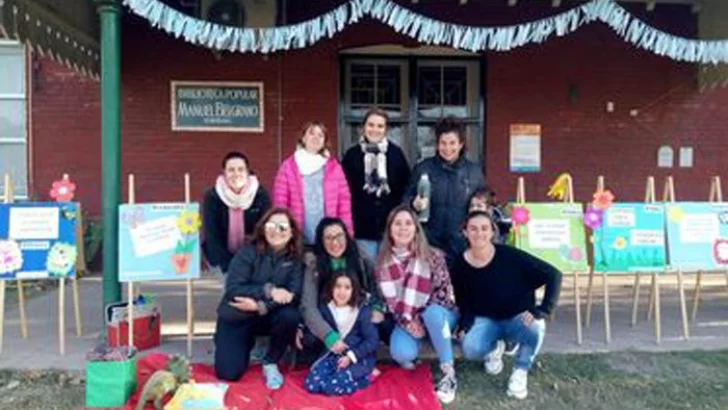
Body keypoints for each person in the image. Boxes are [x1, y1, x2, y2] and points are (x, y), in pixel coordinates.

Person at [454, 211, 562, 400]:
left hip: (517, 317)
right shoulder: (459, 263)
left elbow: (554, 274)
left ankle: (521, 370)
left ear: (492, 232)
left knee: (534, 327)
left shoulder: (510, 256)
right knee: (470, 348)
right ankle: (495, 348)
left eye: (484, 228)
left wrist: (544, 309)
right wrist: (465, 322)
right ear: (465, 232)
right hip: (486, 319)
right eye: (473, 228)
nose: (479, 233)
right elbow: (463, 298)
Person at [375, 205, 459, 404]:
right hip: (406, 319)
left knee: (432, 315)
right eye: (397, 223)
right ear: (390, 229)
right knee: (400, 352)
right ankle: (416, 353)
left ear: (416, 228)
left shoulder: (433, 256)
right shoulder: (382, 262)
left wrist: (420, 320)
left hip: (441, 314)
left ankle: (449, 373)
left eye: (408, 223)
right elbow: (387, 303)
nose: (403, 228)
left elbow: (444, 294)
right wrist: (407, 322)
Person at [214, 208, 304, 389]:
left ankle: (270, 361)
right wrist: (268, 291)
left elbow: (291, 295)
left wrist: (261, 306)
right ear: (263, 228)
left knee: (290, 315)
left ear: (291, 231)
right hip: (238, 315)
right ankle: (239, 344)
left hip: (267, 314)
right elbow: (233, 289)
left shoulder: (295, 259)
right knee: (228, 373)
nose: (276, 231)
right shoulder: (248, 252)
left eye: (283, 227)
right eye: (271, 225)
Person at [299, 217, 391, 354]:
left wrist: (377, 307)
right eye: (328, 238)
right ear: (321, 241)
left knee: (386, 326)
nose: (335, 242)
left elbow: (375, 285)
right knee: (309, 339)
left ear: (346, 236)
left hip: (357, 314)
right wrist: (328, 335)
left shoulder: (360, 257)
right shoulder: (314, 265)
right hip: (329, 318)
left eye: (339, 236)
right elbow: (309, 306)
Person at [405, 116, 486, 262]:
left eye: (452, 143)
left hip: (461, 246)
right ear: (437, 144)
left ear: (461, 144)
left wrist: (483, 203)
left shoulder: (474, 172)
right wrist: (413, 203)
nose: (447, 148)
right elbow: (404, 201)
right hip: (428, 244)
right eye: (443, 143)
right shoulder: (423, 168)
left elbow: (485, 204)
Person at [341, 108, 410, 260]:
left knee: (389, 276)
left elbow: (405, 186)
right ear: (363, 127)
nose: (375, 129)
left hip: (391, 229)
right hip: (362, 228)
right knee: (367, 275)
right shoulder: (352, 155)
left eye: (380, 126)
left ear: (386, 129)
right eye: (371, 125)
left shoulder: (395, 153)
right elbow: (344, 191)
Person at [273, 121, 353, 248]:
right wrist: (283, 232)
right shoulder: (288, 166)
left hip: (329, 236)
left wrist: (347, 234)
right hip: (298, 234)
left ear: (324, 141)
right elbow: (280, 202)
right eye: (311, 133)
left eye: (320, 135)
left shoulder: (334, 167)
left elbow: (344, 204)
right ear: (303, 138)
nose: (316, 138)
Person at [304, 272, 379, 396]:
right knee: (312, 385)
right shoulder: (325, 308)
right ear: (332, 288)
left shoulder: (362, 311)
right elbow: (314, 325)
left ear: (354, 290)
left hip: (356, 358)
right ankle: (337, 377)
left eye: (347, 287)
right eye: (338, 286)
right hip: (332, 356)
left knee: (332, 388)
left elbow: (372, 341)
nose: (342, 292)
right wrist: (301, 328)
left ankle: (367, 377)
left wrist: (351, 356)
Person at [203, 152, 271, 279]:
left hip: (253, 258)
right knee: (230, 292)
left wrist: (249, 262)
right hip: (221, 258)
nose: (236, 174)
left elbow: (264, 233)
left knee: (252, 294)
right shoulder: (212, 196)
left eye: (241, 169)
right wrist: (229, 267)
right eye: (231, 170)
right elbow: (212, 234)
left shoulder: (261, 195)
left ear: (247, 172)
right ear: (224, 173)